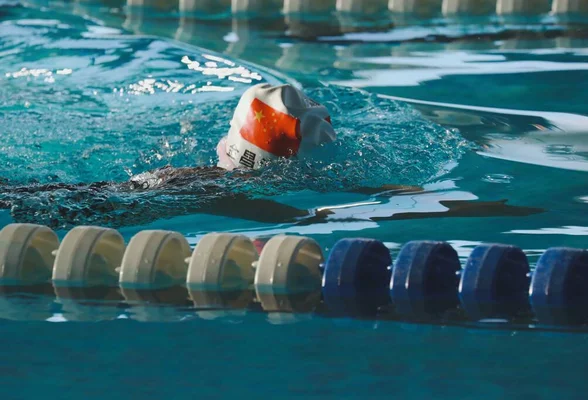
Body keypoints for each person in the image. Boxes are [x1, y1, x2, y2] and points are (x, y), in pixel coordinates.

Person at [0, 83, 542, 228]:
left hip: (123, 193)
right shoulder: (260, 200)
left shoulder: (216, 175)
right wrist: (494, 208)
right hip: (100, 207)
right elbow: (384, 206)